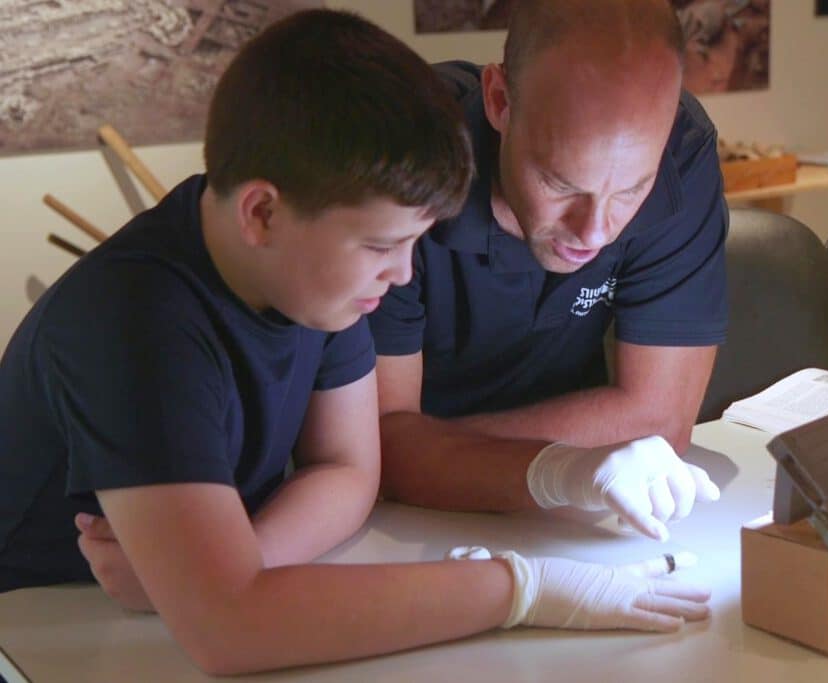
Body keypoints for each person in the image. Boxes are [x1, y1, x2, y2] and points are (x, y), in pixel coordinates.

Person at [0, 9, 713, 675]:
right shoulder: (137, 318)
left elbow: (349, 472)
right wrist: (521, 588)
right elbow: (229, 632)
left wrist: (224, 572)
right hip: (37, 620)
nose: (404, 273)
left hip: (157, 607)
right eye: (382, 244)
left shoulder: (315, 279)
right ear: (262, 212)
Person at [370, 0, 728, 541]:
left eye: (632, 189)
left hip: (568, 515)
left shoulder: (682, 150)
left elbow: (659, 421)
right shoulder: (398, 158)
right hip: (390, 526)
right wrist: (561, 467)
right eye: (561, 185)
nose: (595, 232)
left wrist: (436, 452)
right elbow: (377, 449)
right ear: (499, 101)